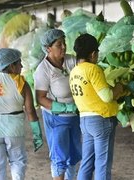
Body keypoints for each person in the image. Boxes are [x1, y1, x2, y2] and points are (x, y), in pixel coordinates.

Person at [69, 33, 127, 180]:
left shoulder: (74, 71)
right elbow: (107, 96)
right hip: (101, 120)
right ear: (93, 53)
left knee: (87, 163)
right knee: (102, 164)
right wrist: (119, 87)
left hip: (85, 121)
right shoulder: (93, 69)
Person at [33, 29, 81, 180]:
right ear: (48, 48)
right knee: (59, 156)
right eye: (59, 44)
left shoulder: (71, 60)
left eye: (64, 43)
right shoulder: (43, 70)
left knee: (74, 154)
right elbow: (40, 98)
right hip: (56, 118)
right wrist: (64, 108)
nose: (64, 47)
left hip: (75, 116)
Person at [0, 48, 43, 180]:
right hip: (14, 128)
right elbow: (30, 110)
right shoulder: (21, 83)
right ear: (11, 65)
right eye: (19, 63)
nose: (21, 66)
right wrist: (37, 133)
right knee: (17, 162)